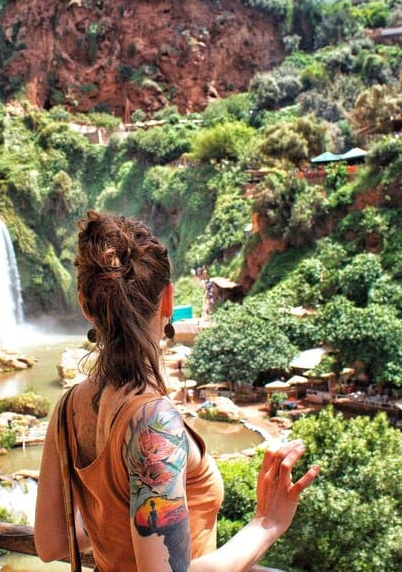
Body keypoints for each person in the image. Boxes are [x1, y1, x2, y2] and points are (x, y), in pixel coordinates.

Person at [35, 210, 318, 571]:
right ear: (167, 300)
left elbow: (50, 542)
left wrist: (117, 517)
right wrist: (267, 523)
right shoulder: (153, 422)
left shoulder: (66, 409)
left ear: (85, 304)